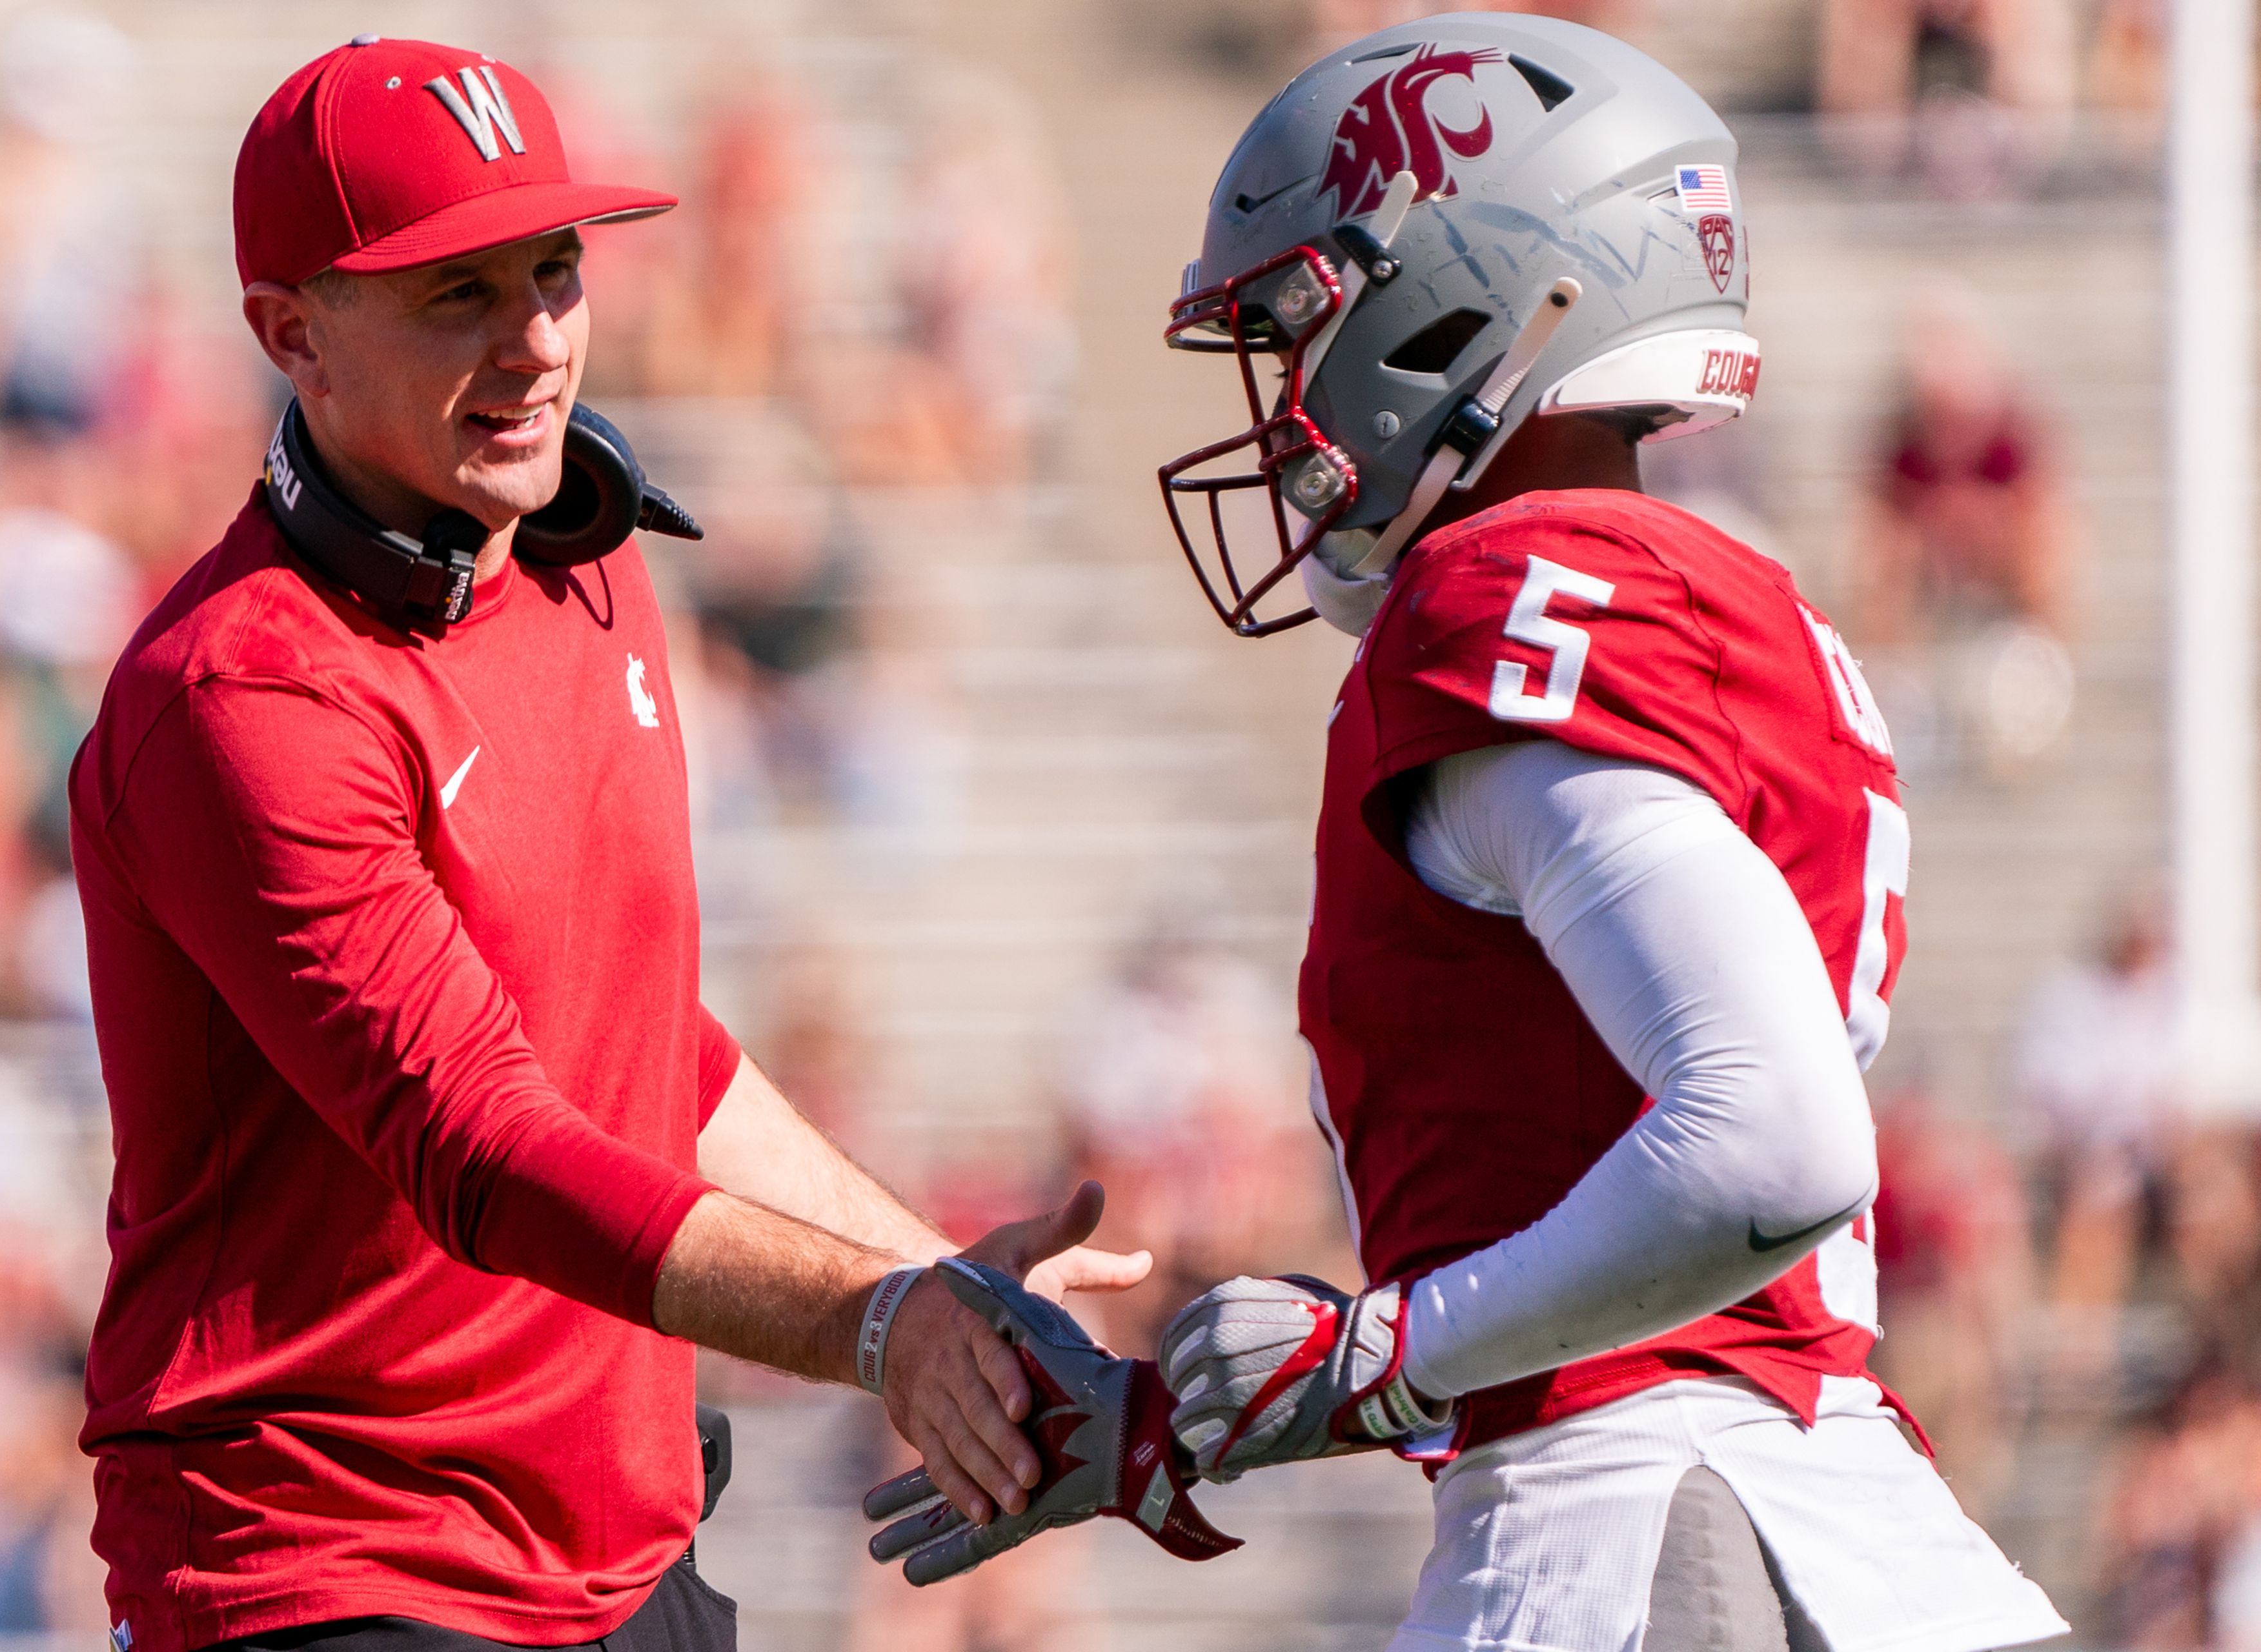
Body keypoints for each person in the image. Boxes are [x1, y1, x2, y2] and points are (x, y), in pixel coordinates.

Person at [867, 17, 2067, 1651]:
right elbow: (1596, 1174)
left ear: (1464, 296)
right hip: (1804, 1518)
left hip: (1650, 1533)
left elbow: (1766, 1139)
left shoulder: (1503, 591)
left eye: (1301, 328)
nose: (1286, 404)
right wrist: (1212, 1415)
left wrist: (1379, 1353)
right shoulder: (1721, 595)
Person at [66, 37, 1144, 1652]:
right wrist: (880, 1325)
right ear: (291, 333)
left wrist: (949, 1291)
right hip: (338, 1572)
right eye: (456, 294)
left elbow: (638, 1045)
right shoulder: (245, 693)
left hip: (625, 1557)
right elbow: (483, 1147)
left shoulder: (582, 557)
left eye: (555, 271)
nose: (536, 343)